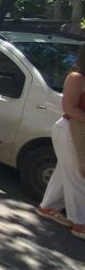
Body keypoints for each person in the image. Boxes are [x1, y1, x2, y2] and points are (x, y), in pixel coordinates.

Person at [37, 43, 85, 240]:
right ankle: (80, 223)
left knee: (65, 170)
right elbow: (68, 107)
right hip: (70, 130)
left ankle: (47, 207)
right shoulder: (76, 78)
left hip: (79, 130)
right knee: (78, 175)